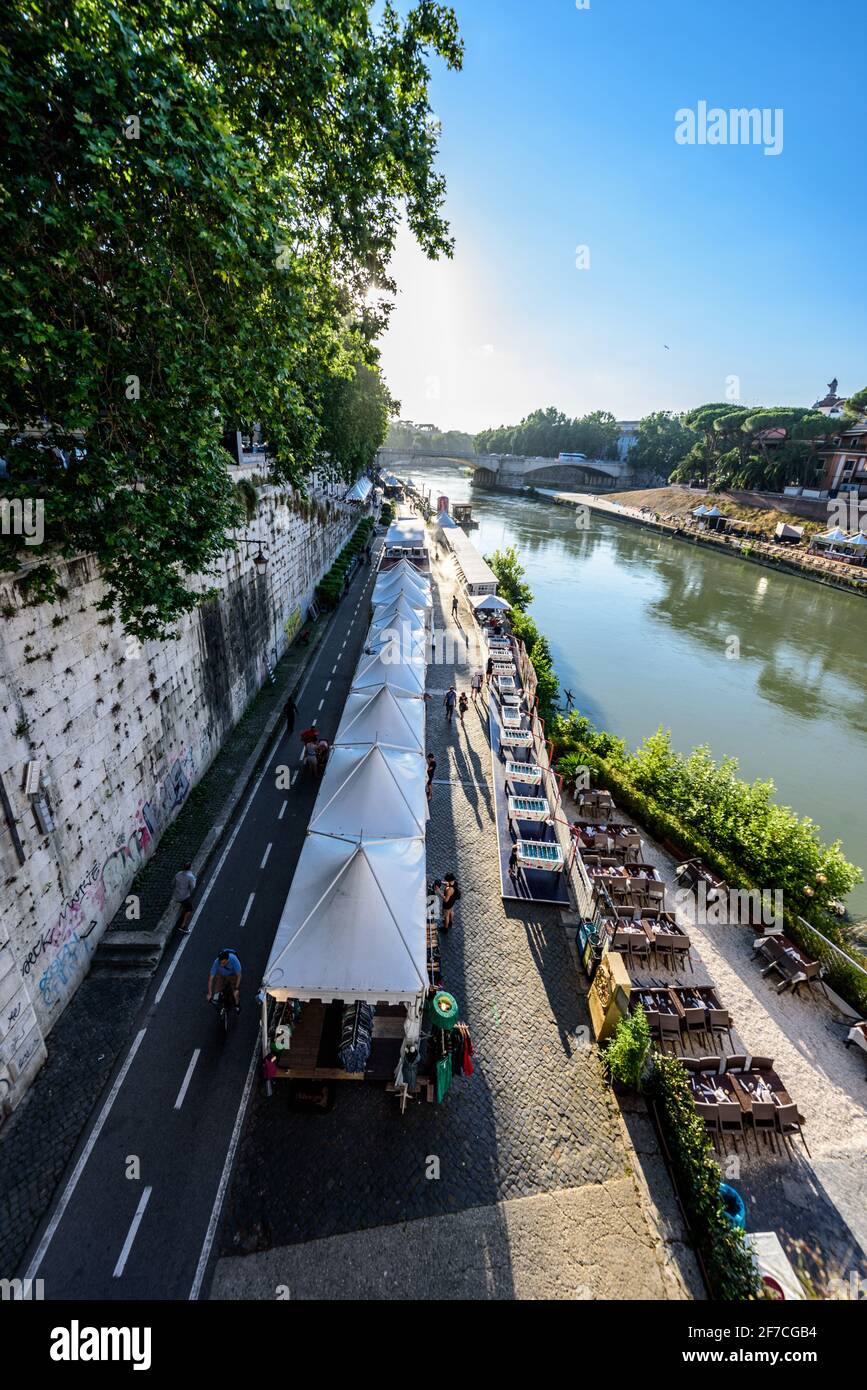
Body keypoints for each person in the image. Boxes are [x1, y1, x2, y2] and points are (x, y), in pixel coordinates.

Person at [208, 949, 242, 1013]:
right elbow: (211, 979)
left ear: (228, 960)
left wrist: (236, 988)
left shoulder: (234, 960)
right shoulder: (216, 962)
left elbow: (239, 975)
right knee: (216, 992)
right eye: (220, 962)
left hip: (232, 974)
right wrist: (210, 993)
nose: (221, 965)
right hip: (221, 974)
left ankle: (237, 1005)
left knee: (235, 993)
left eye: (223, 963)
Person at [173, 862, 196, 934]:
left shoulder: (178, 874)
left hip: (176, 895)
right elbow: (192, 887)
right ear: (190, 867)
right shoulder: (190, 876)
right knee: (190, 908)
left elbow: (173, 883)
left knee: (185, 905)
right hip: (183, 897)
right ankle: (182, 925)